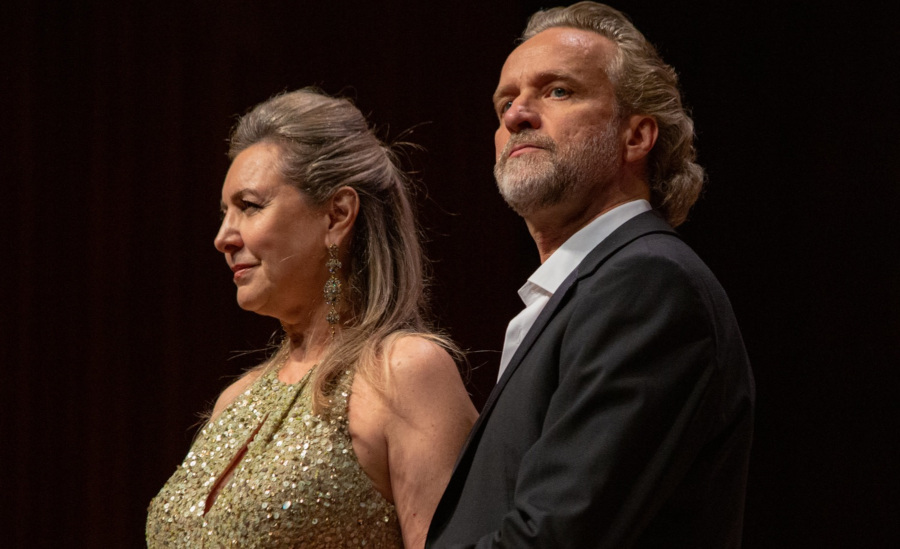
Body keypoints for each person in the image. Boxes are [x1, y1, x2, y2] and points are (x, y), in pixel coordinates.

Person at [426, 3, 755, 548]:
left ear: (636, 136)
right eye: (506, 102)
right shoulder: (592, 290)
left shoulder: (649, 286)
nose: (516, 116)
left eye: (557, 91)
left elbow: (554, 537)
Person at [146, 88, 478, 548]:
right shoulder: (233, 401)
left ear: (337, 215)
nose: (223, 237)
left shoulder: (405, 372)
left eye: (250, 206)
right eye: (225, 213)